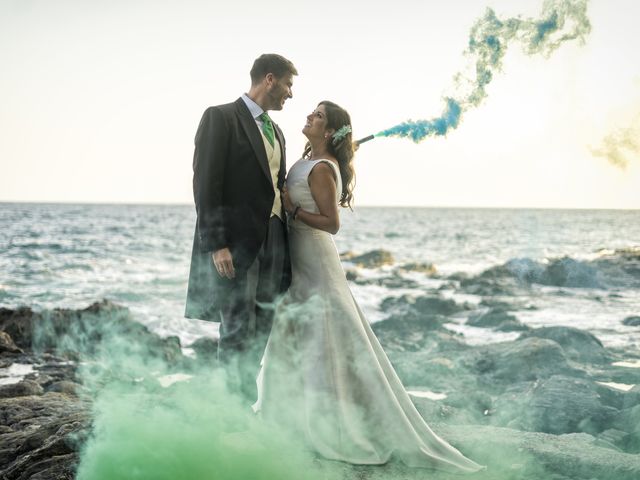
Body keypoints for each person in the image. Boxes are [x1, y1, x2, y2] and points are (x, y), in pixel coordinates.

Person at [252, 101, 486, 474]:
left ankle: (336, 425)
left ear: (328, 131)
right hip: (295, 258)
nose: (309, 117)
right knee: (296, 331)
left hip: (314, 255)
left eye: (318, 116)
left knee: (326, 335)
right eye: (312, 113)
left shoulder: (323, 168)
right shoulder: (307, 161)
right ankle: (290, 416)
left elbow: (331, 223)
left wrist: (295, 211)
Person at [185, 54, 297, 400]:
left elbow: (272, 185)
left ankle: (246, 400)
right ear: (269, 79)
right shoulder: (220, 117)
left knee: (262, 325)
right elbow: (206, 184)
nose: (290, 94)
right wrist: (216, 243)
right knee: (235, 327)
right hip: (235, 245)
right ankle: (232, 412)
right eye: (288, 85)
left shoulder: (277, 131)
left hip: (275, 241)